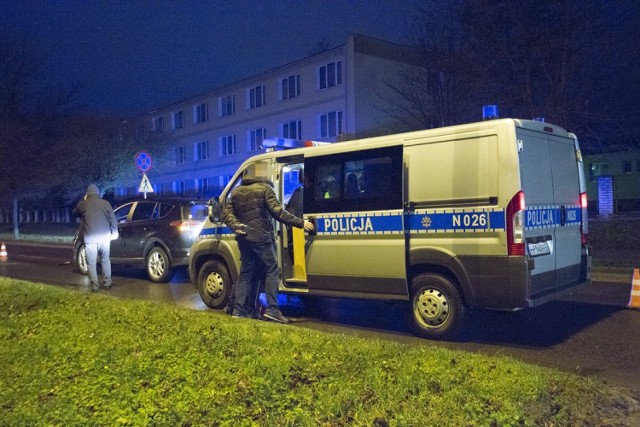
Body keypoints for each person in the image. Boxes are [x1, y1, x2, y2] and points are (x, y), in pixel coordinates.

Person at [222, 161, 314, 323]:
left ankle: (239, 310)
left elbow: (227, 214)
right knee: (272, 269)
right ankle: (272, 309)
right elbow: (278, 212)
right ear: (261, 174)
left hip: (243, 238)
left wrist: (236, 226)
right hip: (261, 238)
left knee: (246, 273)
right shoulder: (265, 189)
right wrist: (300, 223)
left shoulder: (235, 192)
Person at [72, 184, 118, 292]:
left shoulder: (83, 204)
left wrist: (83, 200)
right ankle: (107, 283)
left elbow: (74, 213)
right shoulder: (105, 203)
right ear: (98, 193)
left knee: (91, 264)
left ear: (87, 194)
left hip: (90, 239)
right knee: (105, 260)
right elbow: (113, 219)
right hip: (104, 238)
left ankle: (95, 286)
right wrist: (114, 233)